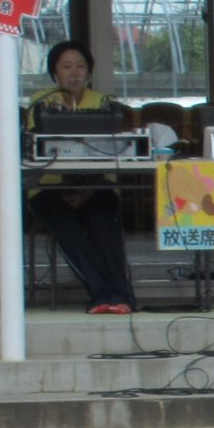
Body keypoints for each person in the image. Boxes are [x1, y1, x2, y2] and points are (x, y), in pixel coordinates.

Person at [25, 40, 137, 314]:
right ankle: (99, 295)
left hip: (96, 186)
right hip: (49, 189)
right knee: (66, 225)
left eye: (80, 66)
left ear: (88, 72)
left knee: (103, 220)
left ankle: (122, 296)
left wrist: (86, 190)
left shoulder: (103, 103)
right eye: (66, 66)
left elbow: (112, 150)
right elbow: (34, 148)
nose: (74, 72)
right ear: (54, 72)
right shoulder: (41, 102)